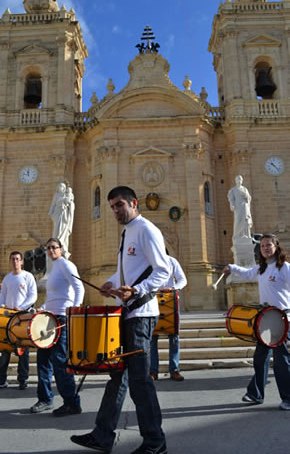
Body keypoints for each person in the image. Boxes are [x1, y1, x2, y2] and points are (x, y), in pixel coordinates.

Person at [71, 186, 170, 454]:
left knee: (140, 381)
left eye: (119, 205)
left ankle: (155, 442)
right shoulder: (128, 232)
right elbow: (127, 273)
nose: (115, 210)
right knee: (117, 376)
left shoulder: (146, 229)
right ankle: (102, 435)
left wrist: (137, 290)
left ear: (134, 203)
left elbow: (164, 270)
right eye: (112, 206)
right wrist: (111, 283)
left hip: (141, 315)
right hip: (127, 313)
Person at [223, 233, 290, 410]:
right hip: (266, 320)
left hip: (282, 319)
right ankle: (255, 394)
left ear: (276, 247)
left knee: (282, 361)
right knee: (260, 358)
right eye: (262, 246)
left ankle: (288, 398)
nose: (265, 248)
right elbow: (246, 273)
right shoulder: (261, 269)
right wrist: (231, 267)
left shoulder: (284, 268)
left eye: (269, 245)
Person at [30, 237, 85, 416]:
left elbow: (79, 287)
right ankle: (45, 399)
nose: (51, 251)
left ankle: (72, 403)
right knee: (43, 361)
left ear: (61, 249)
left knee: (60, 362)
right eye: (48, 248)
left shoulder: (66, 265)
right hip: (50, 318)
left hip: (61, 319)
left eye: (54, 247)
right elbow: (53, 297)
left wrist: (73, 312)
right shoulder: (54, 269)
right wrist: (43, 308)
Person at [0, 251, 37, 390]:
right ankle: (2, 380)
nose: (15, 261)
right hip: (8, 317)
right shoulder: (7, 278)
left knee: (23, 350)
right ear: (10, 262)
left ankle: (23, 379)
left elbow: (32, 296)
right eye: (12, 259)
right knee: (5, 350)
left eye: (17, 259)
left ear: (21, 262)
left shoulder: (28, 276)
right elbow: (2, 295)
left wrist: (21, 307)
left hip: (22, 317)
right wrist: (2, 307)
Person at [150, 255, 187, 381]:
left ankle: (174, 370)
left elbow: (182, 280)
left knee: (174, 338)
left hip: (170, 302)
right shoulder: (147, 260)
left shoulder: (172, 261)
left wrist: (173, 288)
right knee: (152, 338)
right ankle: (153, 371)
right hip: (152, 301)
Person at [48, 182, 75, 258]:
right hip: (57, 214)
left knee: (63, 229)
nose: (62, 188)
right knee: (57, 229)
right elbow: (53, 204)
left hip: (64, 215)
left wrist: (68, 203)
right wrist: (51, 213)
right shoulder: (56, 195)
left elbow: (70, 203)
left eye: (63, 187)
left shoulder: (66, 195)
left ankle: (61, 244)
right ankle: (56, 242)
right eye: (60, 186)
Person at [227, 175, 253, 240]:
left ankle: (247, 235)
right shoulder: (233, 190)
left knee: (246, 220)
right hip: (238, 207)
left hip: (245, 206)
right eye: (238, 179)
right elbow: (231, 199)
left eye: (240, 179)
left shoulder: (245, 189)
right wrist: (232, 205)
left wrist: (246, 196)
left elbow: (249, 198)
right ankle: (237, 235)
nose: (239, 180)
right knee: (238, 220)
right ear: (235, 181)